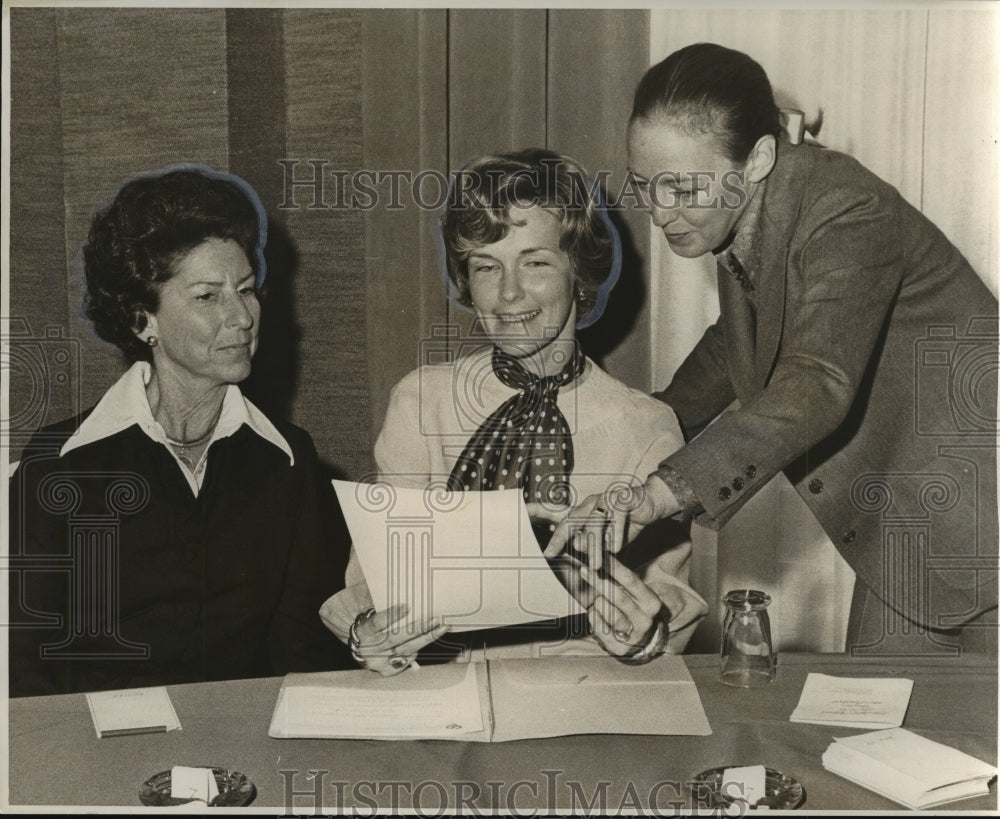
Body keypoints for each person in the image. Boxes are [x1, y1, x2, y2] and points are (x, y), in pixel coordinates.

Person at [547, 43, 998, 650]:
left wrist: (662, 492)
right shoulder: (759, 206)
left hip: (977, 514)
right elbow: (738, 345)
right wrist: (636, 427)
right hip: (915, 532)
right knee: (873, 730)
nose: (660, 213)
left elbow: (816, 382)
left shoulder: (847, 210)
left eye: (682, 190)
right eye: (646, 187)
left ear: (757, 158)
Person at [320, 150, 708, 675]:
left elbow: (664, 607)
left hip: (583, 700)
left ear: (580, 275)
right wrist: (370, 633)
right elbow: (376, 580)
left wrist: (644, 640)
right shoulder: (420, 402)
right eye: (486, 266)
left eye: (536, 263)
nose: (508, 293)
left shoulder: (646, 425)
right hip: (439, 694)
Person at [9, 166, 346, 696]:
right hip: (98, 746)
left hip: (244, 742)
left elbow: (300, 649)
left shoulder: (288, 459)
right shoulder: (58, 462)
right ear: (144, 319)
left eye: (246, 290)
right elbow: (24, 663)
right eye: (207, 297)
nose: (241, 318)